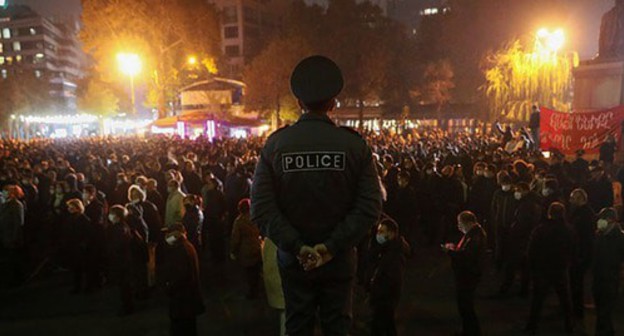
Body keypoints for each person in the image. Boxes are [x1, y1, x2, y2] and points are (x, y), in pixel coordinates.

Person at [251, 55, 383, 336]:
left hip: (294, 260)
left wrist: (297, 246)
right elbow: (371, 205)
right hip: (339, 258)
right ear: (333, 103)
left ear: (298, 102)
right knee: (338, 325)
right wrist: (332, 246)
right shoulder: (353, 145)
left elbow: (261, 208)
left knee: (297, 324)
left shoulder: (276, 145)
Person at [525, 202, 574, 335]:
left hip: (543, 269)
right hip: (560, 268)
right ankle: (569, 325)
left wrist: (532, 267)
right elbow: (573, 248)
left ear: (549, 213)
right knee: (564, 299)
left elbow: (531, 250)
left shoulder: (540, 229)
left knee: (538, 299)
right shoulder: (568, 230)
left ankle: (532, 325)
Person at [442, 211, 486, 336]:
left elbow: (467, 256)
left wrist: (450, 251)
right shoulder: (473, 234)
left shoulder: (475, 236)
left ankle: (472, 331)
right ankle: (468, 330)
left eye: (460, 223)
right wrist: (455, 247)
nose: (459, 226)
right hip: (467, 274)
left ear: (470, 222)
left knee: (466, 306)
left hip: (468, 275)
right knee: (465, 306)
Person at [366, 217, 410, 336]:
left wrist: (378, 293)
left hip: (385, 298)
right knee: (387, 326)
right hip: (384, 298)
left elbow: (392, 279)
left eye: (381, 232)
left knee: (380, 326)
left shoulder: (393, 254)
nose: (378, 235)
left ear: (391, 233)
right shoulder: (388, 249)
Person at [161, 224, 205, 336]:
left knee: (182, 329)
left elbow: (180, 276)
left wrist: (168, 287)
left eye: (169, 233)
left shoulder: (180, 250)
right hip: (187, 300)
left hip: (182, 300)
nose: (167, 236)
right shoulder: (186, 246)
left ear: (176, 234)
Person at [592, 207, 624, 336]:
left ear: (610, 220)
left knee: (605, 309)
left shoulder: (619, 237)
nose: (600, 221)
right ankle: (608, 330)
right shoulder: (600, 234)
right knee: (601, 307)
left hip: (610, 277)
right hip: (599, 276)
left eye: (602, 218)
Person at [567, 189, 595, 319]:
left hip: (580, 253)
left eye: (573, 198)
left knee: (577, 282)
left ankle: (577, 310)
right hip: (580, 252)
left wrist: (580, 254)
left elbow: (584, 237)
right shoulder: (584, 212)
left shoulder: (584, 215)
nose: (570, 200)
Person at [106, 205, 136, 316]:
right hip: (123, 260)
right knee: (124, 285)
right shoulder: (120, 227)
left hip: (122, 261)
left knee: (125, 286)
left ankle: (128, 307)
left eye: (112, 214)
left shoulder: (120, 229)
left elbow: (118, 245)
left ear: (118, 216)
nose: (110, 216)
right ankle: (127, 306)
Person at [230, 198, 262, 299]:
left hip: (245, 250)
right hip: (257, 246)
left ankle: (252, 292)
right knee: (257, 271)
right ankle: (258, 289)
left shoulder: (239, 221)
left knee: (249, 273)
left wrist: (233, 251)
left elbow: (235, 238)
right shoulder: (256, 217)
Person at [0, 184, 25, 286]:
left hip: (12, 236)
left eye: (5, 191)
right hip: (5, 234)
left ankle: (17, 279)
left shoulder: (16, 205)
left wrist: (14, 238)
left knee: (14, 259)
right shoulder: (5, 204)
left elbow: (18, 223)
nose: (3, 193)